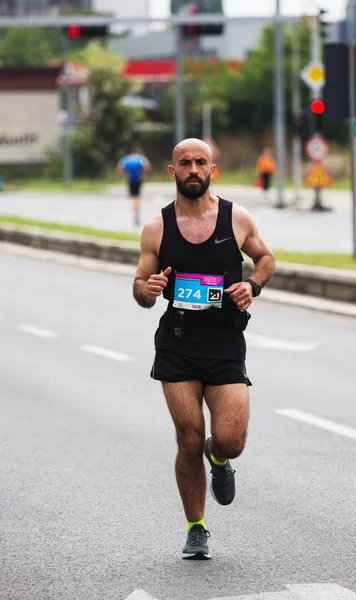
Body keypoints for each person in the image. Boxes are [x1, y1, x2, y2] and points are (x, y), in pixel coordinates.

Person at [133, 138, 275, 560]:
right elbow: (140, 287)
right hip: (177, 343)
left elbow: (266, 258)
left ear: (212, 168)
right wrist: (149, 288)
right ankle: (196, 527)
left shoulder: (237, 218)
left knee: (229, 440)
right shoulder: (157, 227)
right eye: (184, 163)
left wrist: (253, 285)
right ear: (172, 172)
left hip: (225, 342)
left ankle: (220, 460)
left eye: (200, 162)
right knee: (189, 437)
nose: (192, 169)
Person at [117, 144, 151, 228]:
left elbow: (120, 168)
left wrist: (122, 174)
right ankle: (137, 211)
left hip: (130, 180)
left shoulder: (127, 159)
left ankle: (135, 212)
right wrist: (145, 175)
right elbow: (147, 165)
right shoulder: (141, 158)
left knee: (133, 198)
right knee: (137, 197)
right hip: (138, 180)